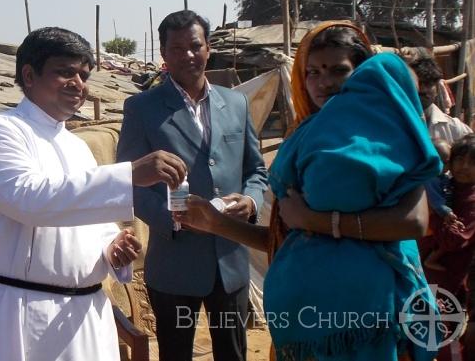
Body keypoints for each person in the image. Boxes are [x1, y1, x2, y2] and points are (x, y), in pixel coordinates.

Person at [176, 21, 442, 360]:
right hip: (308, 323)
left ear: (363, 74)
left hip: (371, 321)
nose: (323, 82)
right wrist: (216, 223)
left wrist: (321, 222)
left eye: (338, 70)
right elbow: (286, 237)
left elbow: (414, 222)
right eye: (312, 72)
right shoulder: (302, 142)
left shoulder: (384, 136)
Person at [0, 27, 187, 361]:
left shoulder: (77, 145)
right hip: (26, 313)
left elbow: (86, 217)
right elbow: (30, 200)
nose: (78, 84)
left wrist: (111, 247)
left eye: (83, 75)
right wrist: (128, 175)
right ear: (29, 74)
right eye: (65, 72)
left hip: (89, 312)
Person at [116, 10, 268, 361]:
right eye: (177, 48)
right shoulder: (142, 108)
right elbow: (130, 182)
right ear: (164, 54)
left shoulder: (236, 103)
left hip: (231, 260)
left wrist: (251, 200)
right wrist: (173, 218)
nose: (188, 55)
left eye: (195, 45)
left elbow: (256, 170)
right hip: (174, 264)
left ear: (208, 48)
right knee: (176, 354)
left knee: (233, 353)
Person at [406, 55, 472, 144]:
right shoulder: (395, 123)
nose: (423, 89)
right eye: (419, 83)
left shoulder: (456, 129)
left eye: (428, 83)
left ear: (437, 88)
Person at [423, 139, 465, 271]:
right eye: (441, 161)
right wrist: (446, 212)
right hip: (437, 216)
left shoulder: (442, 177)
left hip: (442, 214)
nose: (446, 165)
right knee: (442, 242)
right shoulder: (430, 179)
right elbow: (435, 199)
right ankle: (430, 260)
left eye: (447, 162)